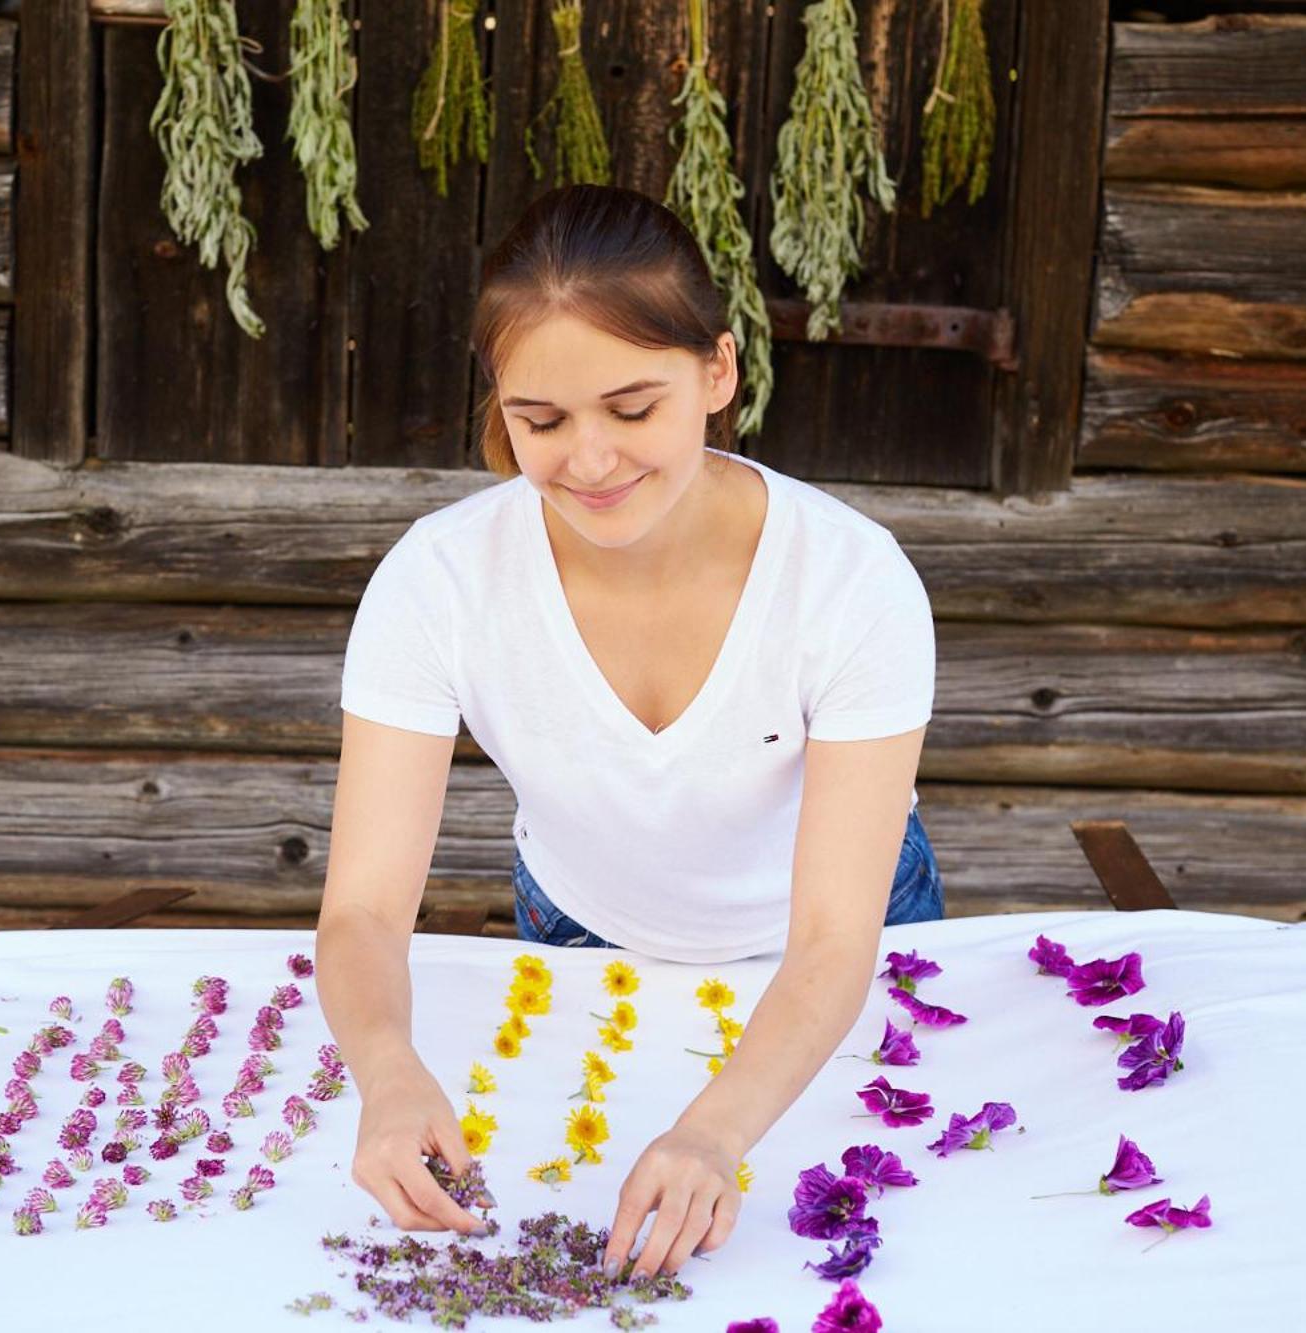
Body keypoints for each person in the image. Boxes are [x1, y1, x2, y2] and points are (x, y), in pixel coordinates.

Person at [313, 183, 940, 1285]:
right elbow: (363, 908)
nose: (588, 462)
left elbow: (835, 941)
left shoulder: (850, 580)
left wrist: (714, 1132)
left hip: (837, 951)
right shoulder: (436, 579)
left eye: (630, 408)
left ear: (717, 372)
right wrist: (388, 1070)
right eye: (539, 422)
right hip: (583, 935)